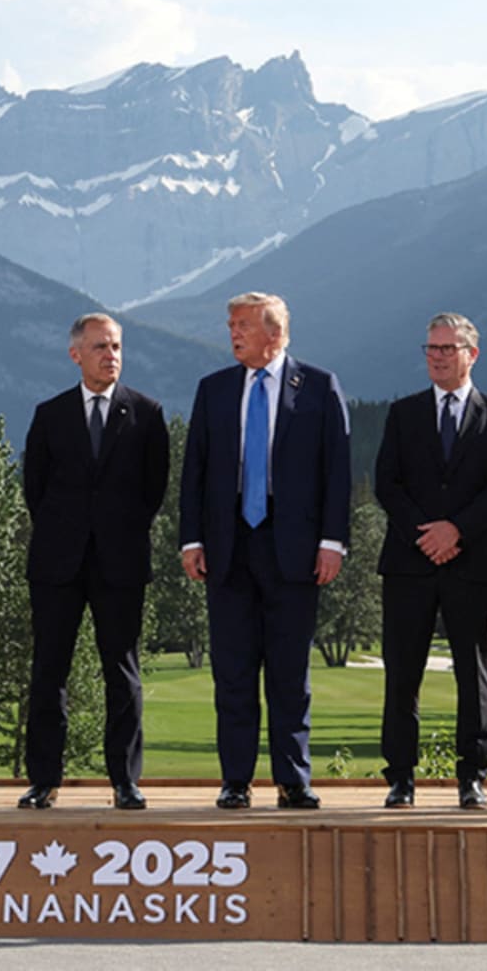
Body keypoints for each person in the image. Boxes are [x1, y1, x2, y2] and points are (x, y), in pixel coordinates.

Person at [180, 292, 351, 810]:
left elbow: (337, 471)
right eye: (230, 325)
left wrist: (332, 541)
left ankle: (293, 779)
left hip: (295, 548)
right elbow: (196, 471)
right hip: (229, 545)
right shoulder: (214, 390)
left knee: (289, 672)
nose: (232, 333)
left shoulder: (319, 386)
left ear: (274, 334)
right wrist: (192, 539)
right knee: (231, 671)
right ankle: (236, 780)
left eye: (241, 325)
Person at [19, 313, 170, 811]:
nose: (112, 355)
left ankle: (125, 781)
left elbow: (154, 490)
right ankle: (44, 780)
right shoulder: (49, 414)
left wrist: (116, 531)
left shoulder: (146, 414)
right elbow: (34, 491)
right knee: (49, 673)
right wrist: (68, 532)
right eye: (102, 347)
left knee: (122, 673)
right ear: (76, 354)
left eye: (118, 346)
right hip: (57, 564)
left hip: (121, 562)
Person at [373, 313, 487, 810]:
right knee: (402, 673)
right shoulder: (402, 413)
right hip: (409, 562)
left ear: (471, 354)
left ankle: (472, 777)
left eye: (447, 349)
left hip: (473, 562)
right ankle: (400, 778)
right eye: (430, 348)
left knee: (473, 672)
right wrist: (426, 534)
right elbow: (386, 485)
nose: (437, 356)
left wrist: (455, 529)